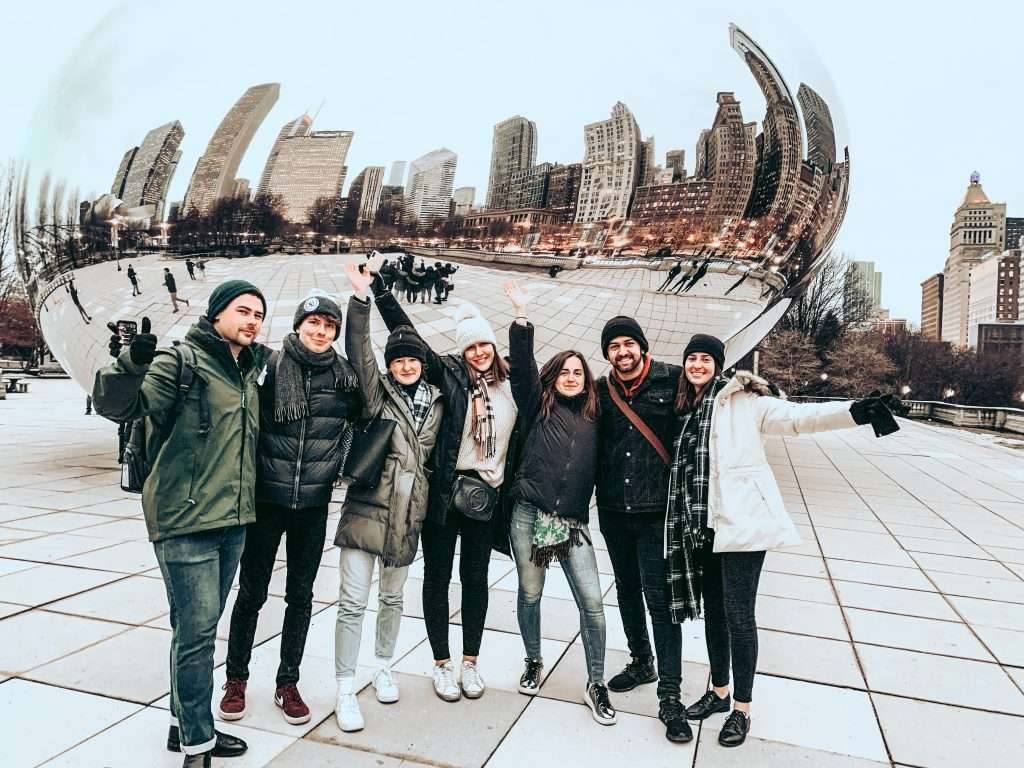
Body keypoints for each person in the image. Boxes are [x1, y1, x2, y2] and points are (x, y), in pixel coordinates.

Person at [665, 334, 899, 748]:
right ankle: (718, 693)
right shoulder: (684, 405)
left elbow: (797, 419)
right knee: (715, 615)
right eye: (692, 359)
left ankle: (742, 708)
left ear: (718, 365)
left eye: (705, 359)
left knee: (739, 617)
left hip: (741, 526)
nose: (697, 365)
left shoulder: (745, 401)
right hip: (698, 526)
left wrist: (854, 412)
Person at [92, 280, 269, 768]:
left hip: (233, 521)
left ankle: (184, 725)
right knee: (196, 633)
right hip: (185, 519)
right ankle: (198, 745)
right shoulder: (182, 361)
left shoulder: (247, 368)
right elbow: (118, 406)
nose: (252, 320)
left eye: (258, 313)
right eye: (242, 311)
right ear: (217, 314)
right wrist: (131, 363)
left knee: (191, 628)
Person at [368, 257, 519, 703]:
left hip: (487, 497)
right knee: (437, 578)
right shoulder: (449, 375)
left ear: (492, 345)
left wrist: (520, 318)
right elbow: (408, 334)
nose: (479, 352)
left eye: (484, 345)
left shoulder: (509, 385)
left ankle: (470, 662)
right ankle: (441, 664)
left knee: (475, 579)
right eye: (471, 347)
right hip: (445, 493)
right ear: (462, 350)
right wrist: (379, 292)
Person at [220, 291, 362, 727]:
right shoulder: (268, 366)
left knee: (301, 596)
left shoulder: (344, 378)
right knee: (252, 593)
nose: (320, 332)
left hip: (313, 504)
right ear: (299, 325)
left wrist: (342, 466)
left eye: (329, 325)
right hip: (267, 500)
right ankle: (236, 679)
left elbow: (356, 426)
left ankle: (287, 682)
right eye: (313, 323)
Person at [332, 263, 444, 732]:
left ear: (421, 361)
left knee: (393, 601)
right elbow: (359, 354)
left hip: (407, 518)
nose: (405, 364)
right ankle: (343, 685)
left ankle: (383, 665)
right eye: (397, 359)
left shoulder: (437, 401)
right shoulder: (378, 395)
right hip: (368, 511)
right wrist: (361, 301)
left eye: (411, 358)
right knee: (353, 602)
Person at [503, 281, 615, 726]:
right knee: (530, 593)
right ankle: (533, 660)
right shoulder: (538, 404)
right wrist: (521, 317)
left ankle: (597, 683)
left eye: (578, 372)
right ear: (554, 377)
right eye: (565, 371)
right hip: (529, 515)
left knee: (592, 602)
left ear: (586, 381)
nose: (572, 377)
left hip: (570, 523)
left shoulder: (595, 414)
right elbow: (523, 370)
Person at [595, 316, 691, 743]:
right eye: (614, 346)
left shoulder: (673, 380)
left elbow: (715, 402)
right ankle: (641, 661)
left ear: (642, 347)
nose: (622, 352)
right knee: (627, 590)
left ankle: (670, 696)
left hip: (656, 513)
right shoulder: (601, 390)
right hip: (615, 512)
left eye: (628, 344)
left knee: (661, 602)